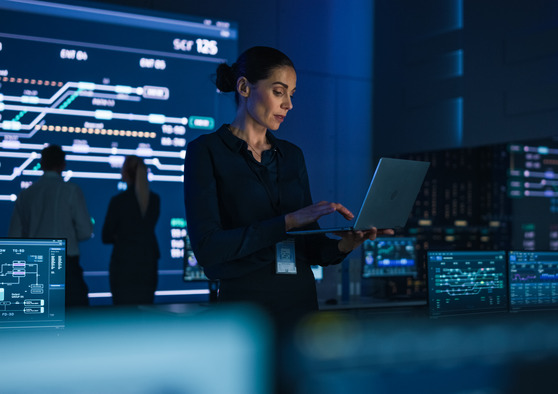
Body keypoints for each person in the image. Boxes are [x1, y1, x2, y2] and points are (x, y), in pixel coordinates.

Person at [184, 46, 392, 327]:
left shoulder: (292, 155)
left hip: (301, 302)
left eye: (291, 95)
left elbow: (313, 248)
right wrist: (287, 222)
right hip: (246, 310)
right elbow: (208, 249)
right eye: (279, 92)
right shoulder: (206, 151)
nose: (288, 105)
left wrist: (347, 243)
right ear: (244, 87)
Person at [8, 144, 93, 307]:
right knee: (76, 319)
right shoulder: (71, 191)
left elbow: (14, 237)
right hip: (66, 265)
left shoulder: (26, 194)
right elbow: (86, 231)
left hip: (35, 265)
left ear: (42, 163)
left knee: (38, 319)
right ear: (63, 164)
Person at [102, 155, 160, 305]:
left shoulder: (119, 201)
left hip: (123, 267)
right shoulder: (154, 200)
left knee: (123, 316)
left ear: (125, 173)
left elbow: (106, 235)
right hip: (148, 266)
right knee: (145, 317)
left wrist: (120, 236)